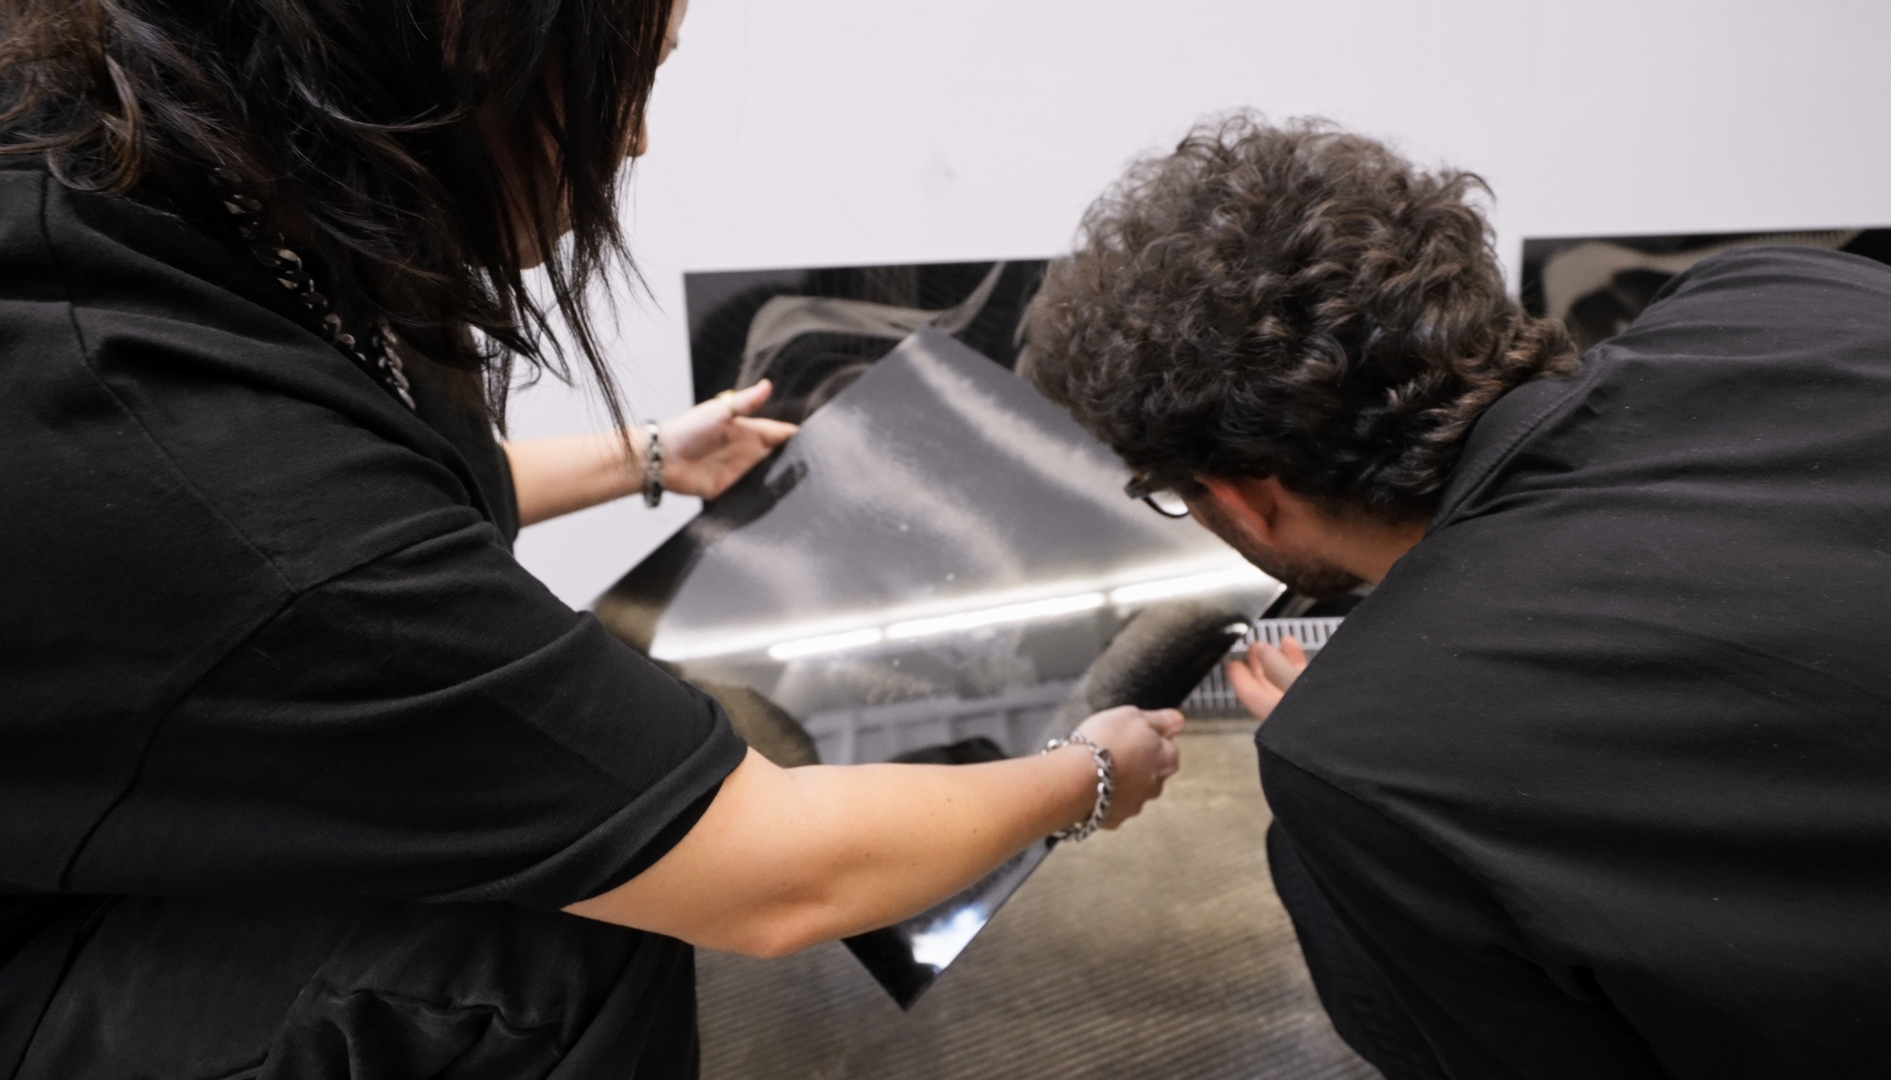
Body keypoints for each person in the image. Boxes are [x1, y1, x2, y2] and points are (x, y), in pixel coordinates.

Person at [0, 1, 1183, 1076]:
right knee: (565, 932)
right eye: (634, 80)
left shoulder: (187, 186)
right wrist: (1080, 776)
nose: (637, 143)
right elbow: (774, 873)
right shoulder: (195, 443)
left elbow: (336, 517)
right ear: (473, 41)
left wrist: (655, 455)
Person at [1020, 114, 1891, 1079]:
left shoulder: (1352, 764)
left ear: (1243, 496)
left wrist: (1375, 754)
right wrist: (1396, 726)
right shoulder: (1780, 294)